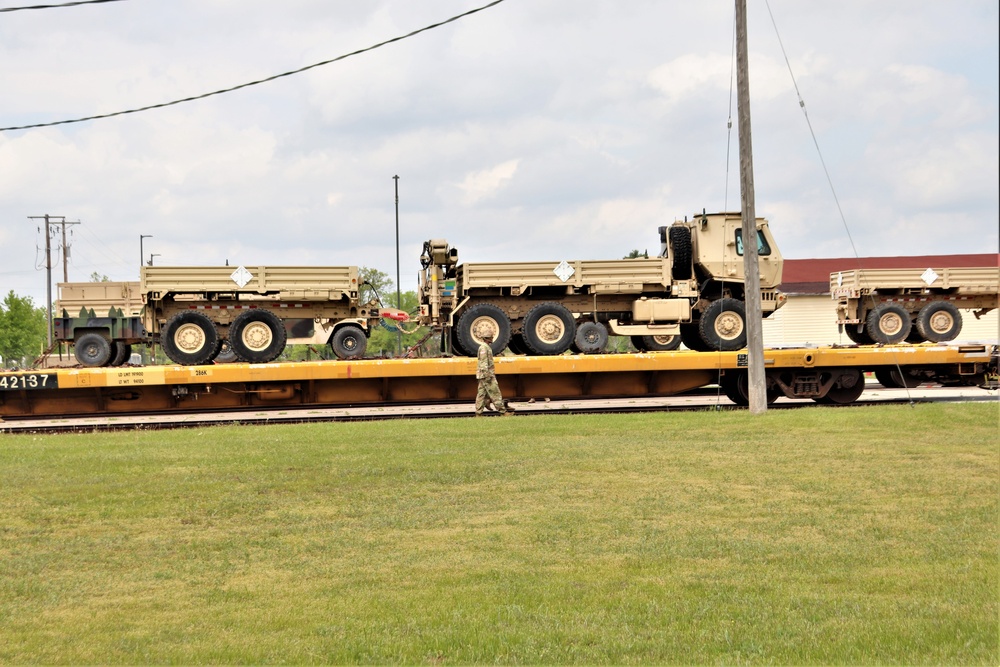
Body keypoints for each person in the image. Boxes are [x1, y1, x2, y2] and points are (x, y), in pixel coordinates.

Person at [476, 334, 512, 417]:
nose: (492, 339)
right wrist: (487, 375)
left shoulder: (485, 347)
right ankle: (503, 412)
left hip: (483, 375)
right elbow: (483, 362)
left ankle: (478, 413)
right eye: (490, 337)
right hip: (487, 375)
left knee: (482, 394)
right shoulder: (484, 348)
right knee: (495, 393)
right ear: (487, 338)